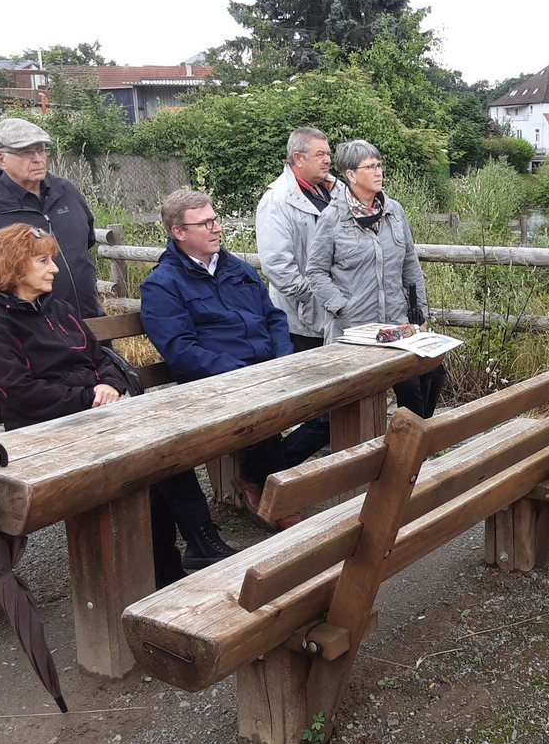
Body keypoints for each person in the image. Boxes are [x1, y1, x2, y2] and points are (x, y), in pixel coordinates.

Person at [0, 224, 237, 589]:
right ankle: (164, 569)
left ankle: (189, 548)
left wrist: (109, 384)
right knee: (142, 462)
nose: (55, 269)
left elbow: (103, 359)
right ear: (14, 266)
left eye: (52, 260)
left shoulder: (58, 308)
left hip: (97, 415)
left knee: (163, 447)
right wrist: (89, 394)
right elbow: (19, 392)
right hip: (44, 433)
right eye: (43, 261)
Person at [140, 188, 297, 520]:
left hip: (267, 370)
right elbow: (181, 352)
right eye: (205, 223)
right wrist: (243, 373)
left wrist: (284, 359)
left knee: (340, 397)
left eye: (215, 219)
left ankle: (272, 480)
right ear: (179, 232)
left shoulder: (237, 269)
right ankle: (274, 493)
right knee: (263, 411)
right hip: (215, 384)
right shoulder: (163, 284)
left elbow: (273, 317)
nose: (216, 228)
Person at [305, 139, 442, 419]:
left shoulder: (394, 211)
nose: (378, 172)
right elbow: (315, 272)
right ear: (351, 174)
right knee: (349, 411)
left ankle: (413, 450)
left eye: (379, 165)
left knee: (427, 382)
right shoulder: (333, 218)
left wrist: (420, 312)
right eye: (370, 167)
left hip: (396, 325)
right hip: (355, 330)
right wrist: (343, 307)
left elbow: (409, 263)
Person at [256, 127, 345, 466]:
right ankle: (269, 470)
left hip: (339, 313)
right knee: (312, 404)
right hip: (303, 317)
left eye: (328, 153)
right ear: (298, 159)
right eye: (320, 154)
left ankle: (327, 465)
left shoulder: (335, 190)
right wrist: (316, 298)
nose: (328, 159)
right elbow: (278, 266)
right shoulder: (277, 200)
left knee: (335, 399)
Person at [0, 118, 102, 319]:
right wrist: (18, 302)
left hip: (88, 317)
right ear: (1, 159)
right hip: (31, 331)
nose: (38, 159)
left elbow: (86, 242)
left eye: (41, 150)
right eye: (26, 152)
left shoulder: (65, 191)